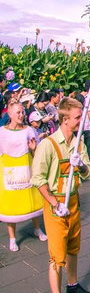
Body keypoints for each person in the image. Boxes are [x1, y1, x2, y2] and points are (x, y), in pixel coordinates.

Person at [31, 97, 90, 293]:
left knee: (73, 248)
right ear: (65, 119)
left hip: (74, 202)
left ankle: (73, 284)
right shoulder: (47, 145)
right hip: (56, 205)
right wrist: (55, 204)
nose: (81, 120)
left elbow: (87, 174)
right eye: (78, 117)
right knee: (57, 256)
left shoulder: (79, 143)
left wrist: (81, 164)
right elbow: (37, 180)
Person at [0, 102, 47, 252]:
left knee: (32, 200)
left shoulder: (29, 130)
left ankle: (37, 228)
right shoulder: (1, 132)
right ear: (10, 114)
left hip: (27, 170)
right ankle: (12, 238)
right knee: (11, 206)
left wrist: (33, 150)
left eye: (22, 112)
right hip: (9, 173)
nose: (21, 115)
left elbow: (37, 152)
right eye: (18, 112)